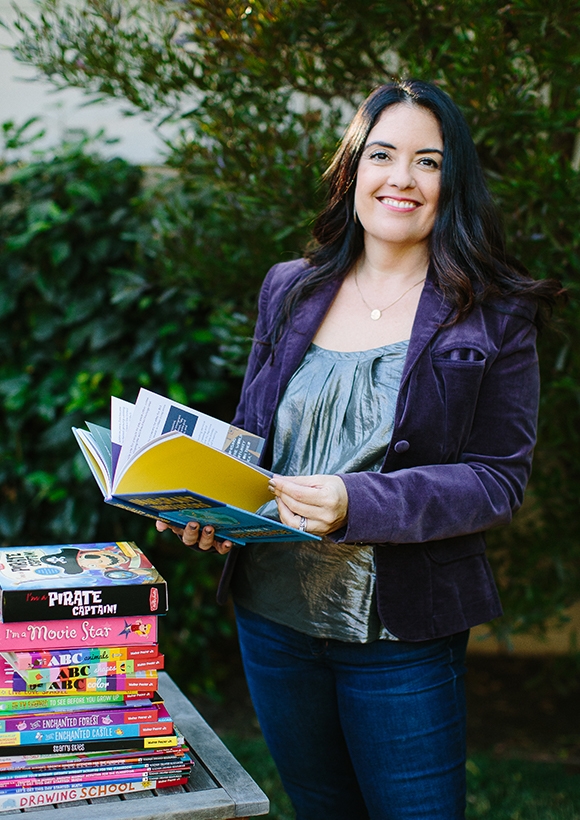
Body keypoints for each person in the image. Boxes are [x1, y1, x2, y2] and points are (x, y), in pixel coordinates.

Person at [157, 79, 562, 820]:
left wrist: (357, 502)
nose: (401, 178)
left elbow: (497, 480)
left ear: (453, 180)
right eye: (383, 154)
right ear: (353, 170)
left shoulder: (495, 309)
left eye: (427, 161)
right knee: (319, 809)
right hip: (272, 617)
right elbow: (252, 441)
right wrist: (203, 503)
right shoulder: (290, 288)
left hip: (401, 628)